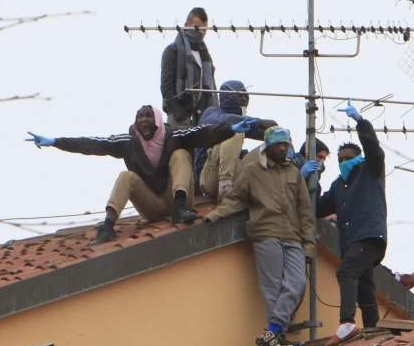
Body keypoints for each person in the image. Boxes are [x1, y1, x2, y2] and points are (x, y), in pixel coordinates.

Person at [26, 105, 251, 246]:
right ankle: (107, 226)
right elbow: (93, 143)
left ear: (157, 119)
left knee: (181, 153)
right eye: (139, 117)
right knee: (126, 176)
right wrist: (55, 142)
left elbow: (203, 134)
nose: (143, 120)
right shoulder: (129, 143)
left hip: (176, 199)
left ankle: (180, 209)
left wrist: (230, 129)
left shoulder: (174, 134)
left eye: (147, 116)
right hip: (151, 205)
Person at [204, 126, 316, 346]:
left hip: (293, 237)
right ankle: (279, 339)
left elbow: (305, 211)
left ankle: (272, 332)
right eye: (279, 144)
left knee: (296, 284)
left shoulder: (294, 173)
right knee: (272, 290)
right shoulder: (252, 171)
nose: (284, 148)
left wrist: (309, 244)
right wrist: (215, 215)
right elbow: (235, 200)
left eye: (286, 144)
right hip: (266, 234)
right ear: (268, 146)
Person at [316, 101, 389, 346]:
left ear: (358, 158)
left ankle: (347, 323)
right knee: (365, 286)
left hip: (369, 236)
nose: (344, 161)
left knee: (346, 271)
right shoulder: (339, 186)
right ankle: (372, 327)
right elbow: (317, 208)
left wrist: (361, 122)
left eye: (349, 158)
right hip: (352, 242)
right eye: (341, 159)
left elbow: (374, 150)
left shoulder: (370, 169)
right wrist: (312, 178)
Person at [197, 80, 278, 201]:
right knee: (235, 130)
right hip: (209, 178)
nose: (244, 99)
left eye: (246, 95)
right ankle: (224, 186)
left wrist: (281, 137)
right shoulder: (211, 113)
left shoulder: (242, 121)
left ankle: (277, 190)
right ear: (227, 96)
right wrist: (258, 121)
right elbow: (224, 121)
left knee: (274, 145)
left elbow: (262, 133)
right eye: (240, 95)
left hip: (234, 178)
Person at [160, 7, 217, 127]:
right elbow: (166, 87)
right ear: (187, 25)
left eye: (204, 30)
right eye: (197, 28)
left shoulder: (205, 56)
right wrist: (180, 116)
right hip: (179, 118)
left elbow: (212, 86)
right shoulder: (173, 50)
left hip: (202, 118)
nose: (201, 33)